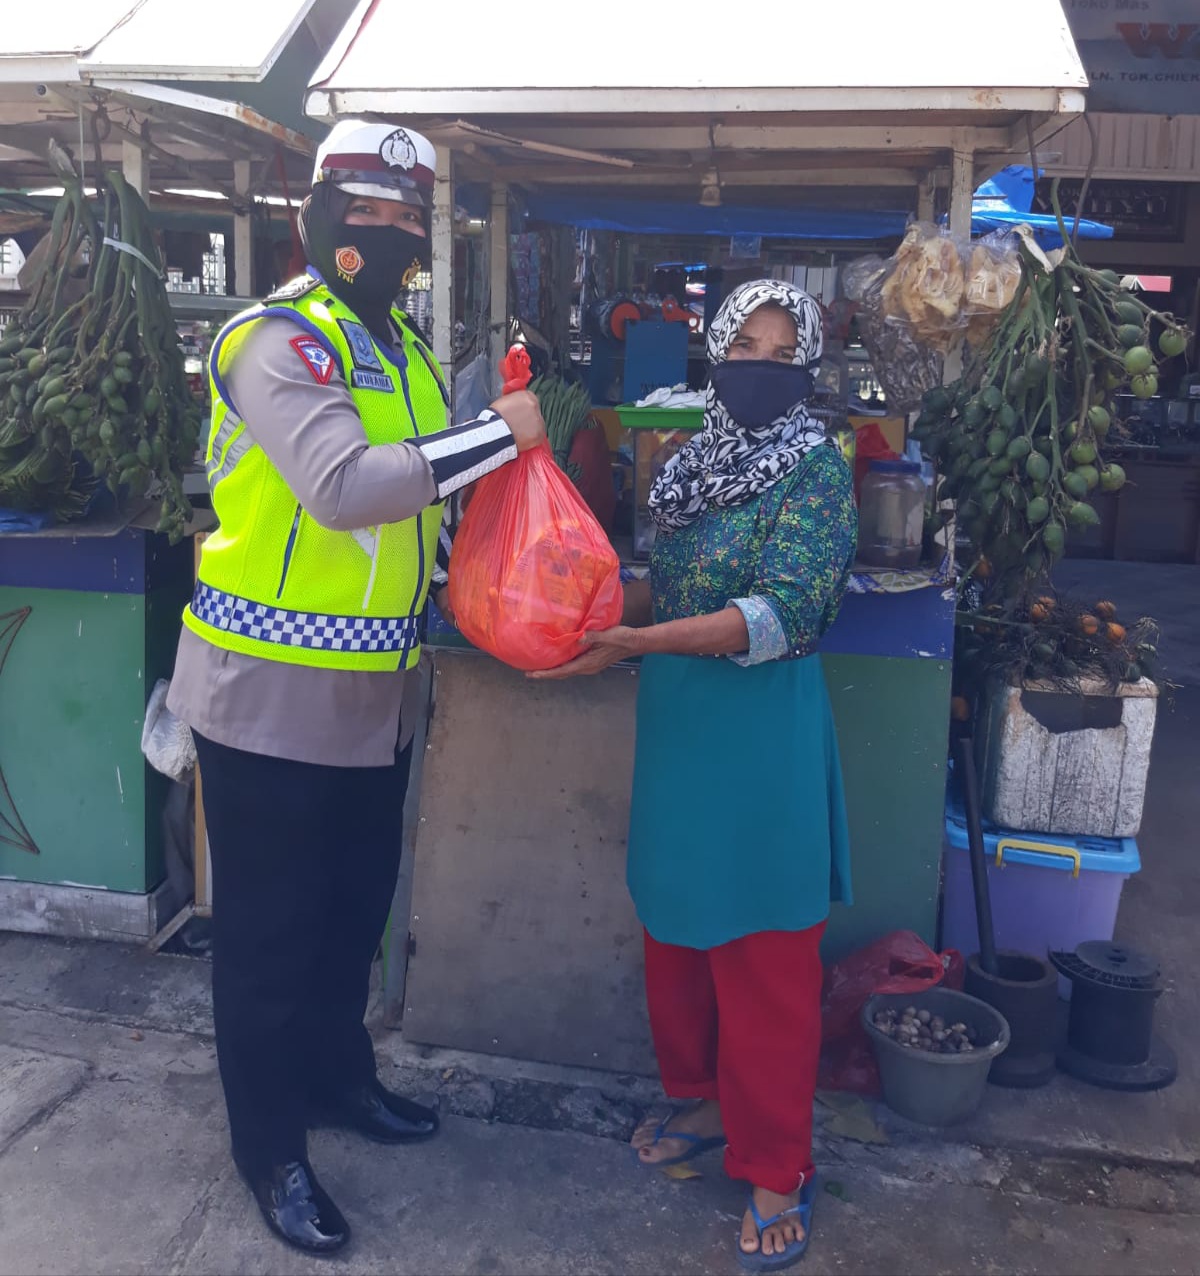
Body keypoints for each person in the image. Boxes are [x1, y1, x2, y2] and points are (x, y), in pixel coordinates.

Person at [165, 120, 546, 1257]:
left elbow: (422, 502)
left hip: (378, 692)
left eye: (401, 217)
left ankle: (338, 1081)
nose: (382, 235)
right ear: (318, 216)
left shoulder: (404, 354)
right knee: (271, 937)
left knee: (349, 917)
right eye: (363, 213)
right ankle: (269, 1145)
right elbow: (342, 486)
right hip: (268, 693)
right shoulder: (277, 341)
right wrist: (497, 437)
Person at [533, 280, 856, 1271]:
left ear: (807, 365)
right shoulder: (683, 467)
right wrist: (574, 601)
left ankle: (774, 1168)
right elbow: (658, 582)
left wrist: (638, 637)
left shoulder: (817, 470)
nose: (762, 365)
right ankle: (707, 1105)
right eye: (744, 345)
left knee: (764, 957)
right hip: (680, 727)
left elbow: (790, 610)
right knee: (676, 928)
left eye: (782, 348)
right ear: (716, 356)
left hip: (762, 735)